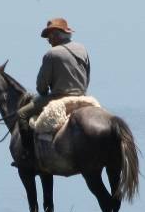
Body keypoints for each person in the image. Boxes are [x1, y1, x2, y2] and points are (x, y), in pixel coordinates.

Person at [15, 17, 90, 163]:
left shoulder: (52, 54)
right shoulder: (82, 49)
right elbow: (87, 74)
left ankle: (27, 155)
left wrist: (44, 92)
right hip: (82, 96)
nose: (48, 40)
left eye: (49, 36)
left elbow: (41, 87)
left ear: (56, 34)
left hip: (59, 97)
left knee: (22, 114)